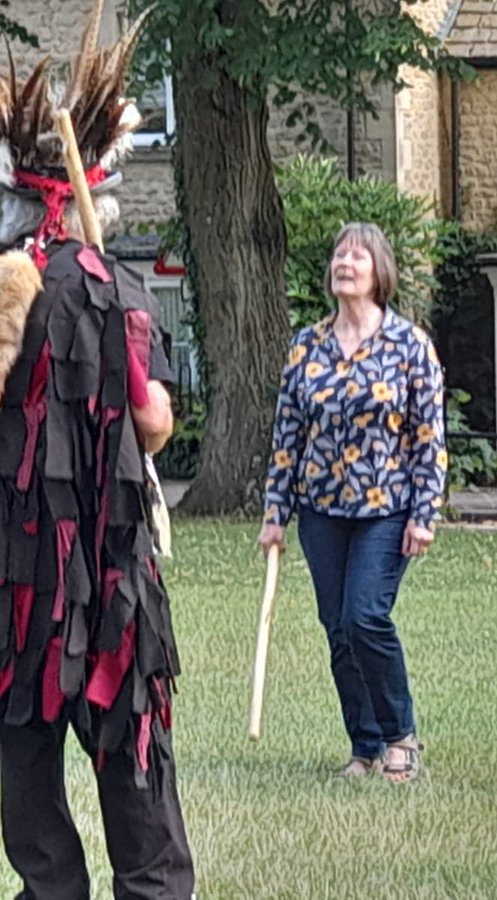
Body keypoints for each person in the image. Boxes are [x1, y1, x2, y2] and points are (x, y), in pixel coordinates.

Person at [0, 6, 195, 895]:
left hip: (17, 572)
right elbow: (153, 424)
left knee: (24, 756)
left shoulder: (15, 287)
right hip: (110, 567)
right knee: (130, 752)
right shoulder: (112, 288)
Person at [258, 222, 447, 783]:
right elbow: (287, 431)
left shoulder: (410, 346)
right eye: (340, 254)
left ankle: (401, 737)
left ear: (379, 271)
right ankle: (364, 746)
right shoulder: (307, 345)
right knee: (337, 628)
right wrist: (275, 513)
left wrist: (424, 513)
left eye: (358, 255)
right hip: (321, 510)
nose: (346, 262)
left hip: (385, 509)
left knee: (366, 616)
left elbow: (429, 437)